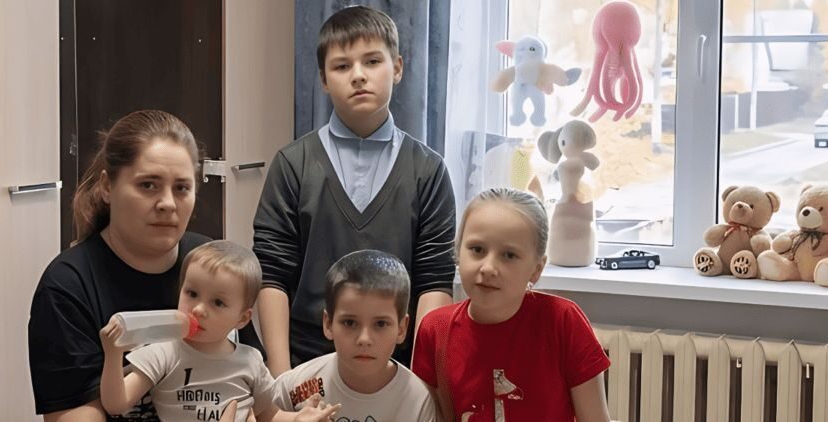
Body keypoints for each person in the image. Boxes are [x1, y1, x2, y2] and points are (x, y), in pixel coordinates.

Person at [251, 5, 456, 375]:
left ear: (397, 68)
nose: (358, 75)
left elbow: (434, 282)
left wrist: (420, 380)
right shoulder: (293, 164)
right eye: (342, 66)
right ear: (324, 79)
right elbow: (272, 275)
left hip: (397, 367)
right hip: (306, 363)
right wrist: (281, 378)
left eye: (372, 61)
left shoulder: (429, 171)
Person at [29, 110, 211, 422]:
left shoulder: (211, 262)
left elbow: (249, 381)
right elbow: (75, 414)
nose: (168, 203)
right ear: (107, 187)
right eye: (148, 185)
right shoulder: (66, 286)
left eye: (182, 188)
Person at [412, 188, 614, 421]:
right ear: (458, 252)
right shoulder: (435, 330)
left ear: (536, 269)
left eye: (508, 255)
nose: (488, 268)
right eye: (477, 249)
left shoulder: (563, 321)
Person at [98, 241, 339, 422]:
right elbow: (116, 404)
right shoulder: (163, 352)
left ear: (242, 319)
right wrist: (113, 353)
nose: (199, 309)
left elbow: (269, 415)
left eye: (218, 302)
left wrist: (297, 418)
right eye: (192, 293)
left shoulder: (251, 360)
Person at [271, 250, 438, 421]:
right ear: (328, 324)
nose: (364, 339)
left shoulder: (418, 400)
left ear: (401, 329)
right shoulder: (297, 385)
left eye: (380, 324)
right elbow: (260, 415)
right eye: (349, 323)